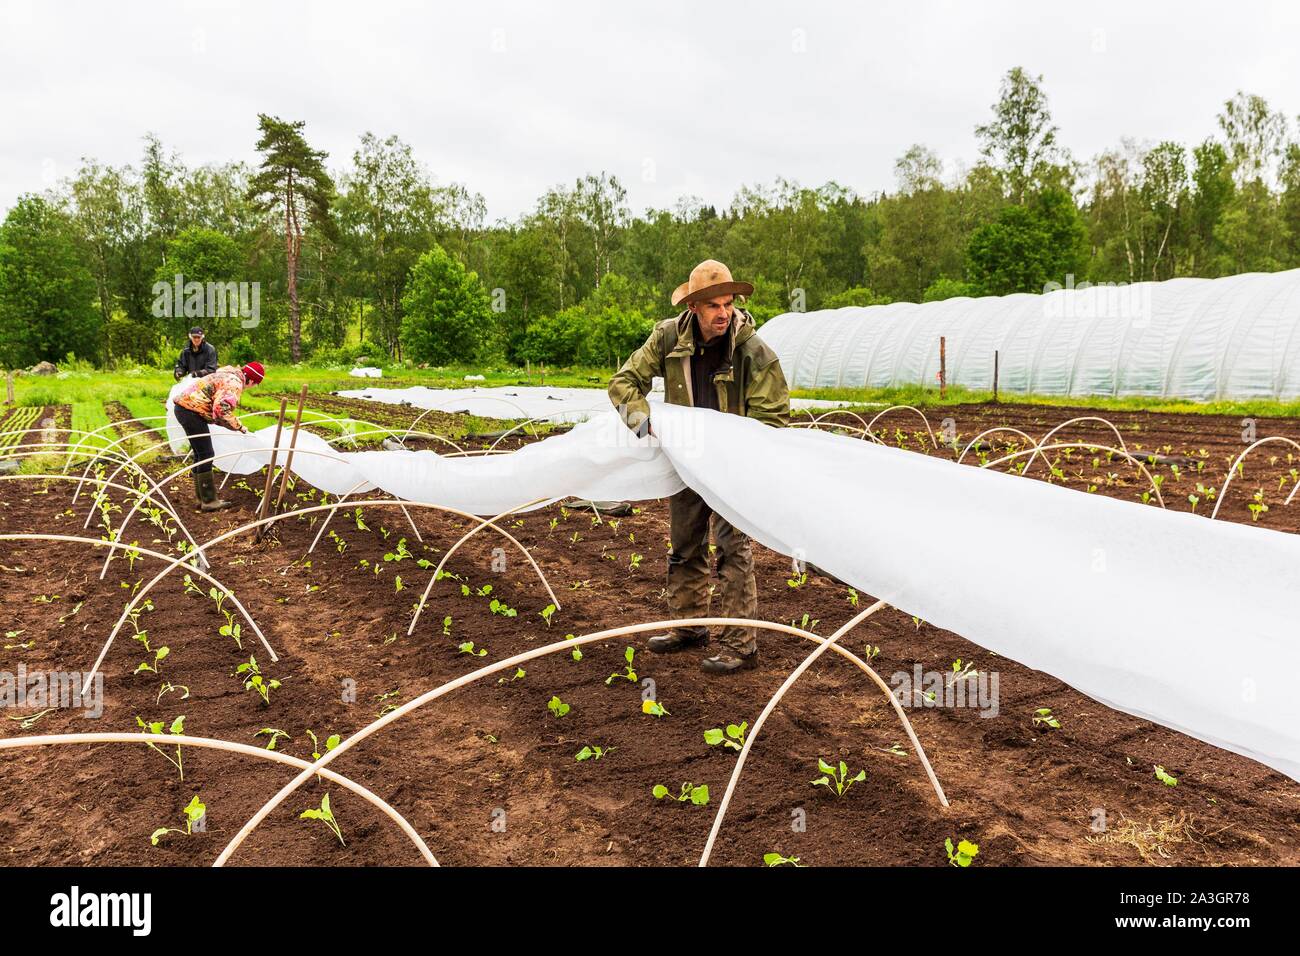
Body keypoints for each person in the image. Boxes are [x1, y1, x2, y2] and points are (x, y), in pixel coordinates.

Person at [608, 260, 790, 673]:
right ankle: (689, 627)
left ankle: (740, 646)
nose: (724, 313)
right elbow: (623, 383)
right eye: (713, 306)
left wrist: (742, 459)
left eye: (728, 304)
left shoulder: (752, 350)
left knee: (732, 550)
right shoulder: (668, 337)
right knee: (685, 545)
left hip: (732, 465)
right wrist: (645, 421)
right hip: (687, 459)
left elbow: (773, 420)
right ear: (694, 309)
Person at [172, 362, 265, 511]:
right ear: (252, 381)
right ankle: (209, 501)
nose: (253, 387)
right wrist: (239, 427)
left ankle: (201, 499)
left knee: (200, 454)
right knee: (206, 454)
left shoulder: (228, 374)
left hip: (185, 408)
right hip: (191, 411)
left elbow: (217, 409)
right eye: (255, 384)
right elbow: (221, 409)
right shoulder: (234, 383)